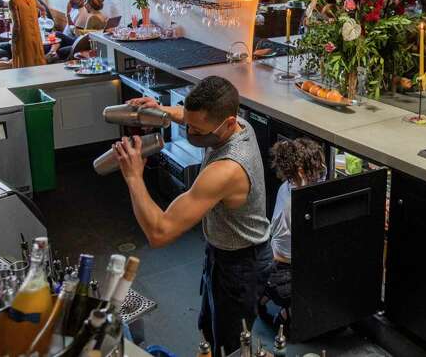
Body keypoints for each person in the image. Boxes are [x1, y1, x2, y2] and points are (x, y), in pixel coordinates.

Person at [113, 77, 271, 354]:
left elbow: (159, 233)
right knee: (210, 329)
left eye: (196, 130)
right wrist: (161, 110)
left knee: (230, 346)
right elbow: (191, 117)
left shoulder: (227, 170)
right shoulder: (237, 123)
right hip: (221, 253)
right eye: (188, 124)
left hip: (241, 264)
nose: (190, 133)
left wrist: (133, 176)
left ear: (229, 123)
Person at [256, 137, 326, 329]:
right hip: (283, 270)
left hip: (270, 261)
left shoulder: (286, 187)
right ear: (302, 172)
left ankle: (263, 294)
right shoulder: (297, 205)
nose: (321, 174)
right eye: (318, 170)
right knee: (322, 281)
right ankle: (286, 314)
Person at [1, 0, 46, 68]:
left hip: (23, 36)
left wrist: (13, 40)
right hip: (36, 34)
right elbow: (42, 8)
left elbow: (17, 24)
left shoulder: (13, 2)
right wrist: (42, 17)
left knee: (25, 62)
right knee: (36, 59)